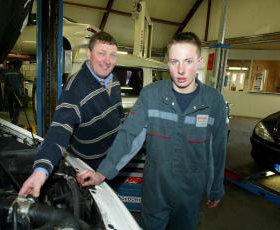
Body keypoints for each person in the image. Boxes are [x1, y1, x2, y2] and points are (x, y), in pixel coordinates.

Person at [77, 32, 228, 230]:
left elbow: (217, 149)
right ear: (167, 62)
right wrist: (102, 173)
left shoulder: (214, 101)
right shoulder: (151, 95)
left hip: (191, 194)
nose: (181, 70)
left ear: (199, 61)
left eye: (188, 61)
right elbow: (129, 136)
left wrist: (215, 188)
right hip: (156, 191)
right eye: (175, 61)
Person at [19, 31, 124, 197]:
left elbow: (118, 112)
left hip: (113, 159)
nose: (107, 61)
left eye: (113, 55)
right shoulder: (75, 88)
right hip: (91, 167)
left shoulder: (113, 79)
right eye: (101, 54)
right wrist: (41, 171)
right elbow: (59, 130)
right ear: (89, 54)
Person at [4, 60, 24, 124]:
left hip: (9, 91)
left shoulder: (6, 72)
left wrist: (3, 92)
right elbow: (22, 82)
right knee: (18, 105)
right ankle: (15, 118)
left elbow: (3, 83)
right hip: (17, 91)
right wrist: (23, 90)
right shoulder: (18, 71)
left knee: (10, 105)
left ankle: (12, 118)